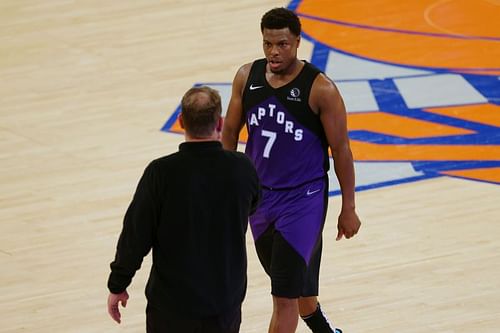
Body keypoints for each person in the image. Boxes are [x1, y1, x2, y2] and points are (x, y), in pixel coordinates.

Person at [221, 7, 361, 333]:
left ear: (298, 42)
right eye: (268, 44)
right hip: (260, 200)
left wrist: (349, 208)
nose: (274, 52)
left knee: (283, 297)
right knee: (297, 289)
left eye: (282, 44)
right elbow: (229, 132)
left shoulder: (321, 89)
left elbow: (341, 150)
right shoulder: (247, 77)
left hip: (304, 200)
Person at [107, 86, 261, 333]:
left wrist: (118, 284)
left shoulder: (160, 173)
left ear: (181, 122)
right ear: (219, 122)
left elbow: (135, 236)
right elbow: (253, 205)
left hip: (171, 307)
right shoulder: (242, 168)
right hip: (223, 303)